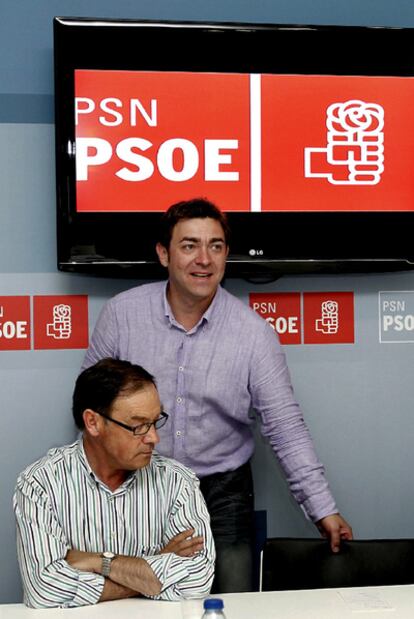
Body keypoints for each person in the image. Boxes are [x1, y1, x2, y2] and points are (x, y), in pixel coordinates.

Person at [82, 198, 353, 593]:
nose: (203, 259)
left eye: (216, 246)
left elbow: (285, 428)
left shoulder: (253, 334)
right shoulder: (122, 315)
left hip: (222, 493)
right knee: (135, 597)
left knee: (233, 603)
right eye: (189, 245)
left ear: (227, 254)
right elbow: (91, 412)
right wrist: (96, 494)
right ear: (163, 254)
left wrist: (323, 508)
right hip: (136, 484)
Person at [14, 358, 215, 608]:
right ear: (93, 422)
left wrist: (101, 562)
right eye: (138, 426)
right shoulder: (41, 484)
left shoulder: (177, 481)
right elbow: (44, 590)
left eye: (155, 421)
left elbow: (197, 580)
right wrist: (152, 569)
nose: (154, 437)